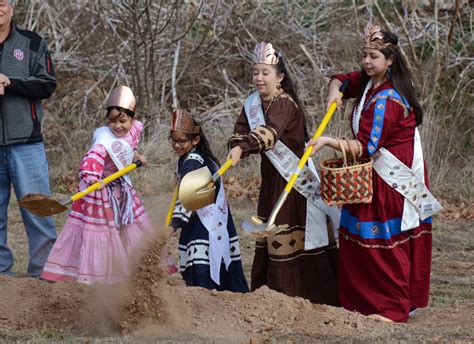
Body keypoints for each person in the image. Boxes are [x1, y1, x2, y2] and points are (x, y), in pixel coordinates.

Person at [307, 26, 442, 322]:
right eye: (364, 55)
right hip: (369, 178)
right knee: (359, 243)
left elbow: (365, 146)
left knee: (383, 247)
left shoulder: (387, 100)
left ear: (390, 59)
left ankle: (390, 308)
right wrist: (334, 91)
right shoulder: (371, 82)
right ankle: (362, 303)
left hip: (390, 181)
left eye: (373, 56)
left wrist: (328, 142)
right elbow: (343, 80)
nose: (366, 62)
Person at [227, 42, 340, 305]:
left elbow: (268, 135)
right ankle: (269, 299)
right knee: (271, 235)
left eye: (265, 72)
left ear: (279, 77)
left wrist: (244, 146)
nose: (259, 78)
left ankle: (300, 299)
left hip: (294, 181)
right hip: (272, 180)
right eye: (256, 72)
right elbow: (240, 131)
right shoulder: (253, 104)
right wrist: (236, 146)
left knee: (294, 235)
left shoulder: (284, 104)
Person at [41, 86, 169, 283]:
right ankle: (100, 276)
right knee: (103, 233)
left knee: (129, 227)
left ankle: (139, 271)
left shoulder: (132, 132)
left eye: (122, 121)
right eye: (113, 121)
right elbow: (91, 161)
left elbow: (128, 150)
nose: (118, 126)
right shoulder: (103, 140)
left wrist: (137, 157)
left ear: (132, 119)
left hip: (122, 191)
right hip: (100, 193)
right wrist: (93, 179)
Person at [0, 0, 57, 277]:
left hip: (27, 144)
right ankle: (2, 276)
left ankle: (43, 276)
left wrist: (10, 82)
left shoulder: (32, 43)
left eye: (2, 1)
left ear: (12, 6)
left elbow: (47, 85)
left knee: (38, 211)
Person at [168, 109, 249, 292]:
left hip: (204, 223)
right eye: (173, 140)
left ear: (194, 140)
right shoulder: (193, 158)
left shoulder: (193, 162)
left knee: (202, 268)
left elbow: (188, 200)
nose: (176, 145)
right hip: (209, 218)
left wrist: (172, 226)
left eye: (182, 141)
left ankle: (205, 306)